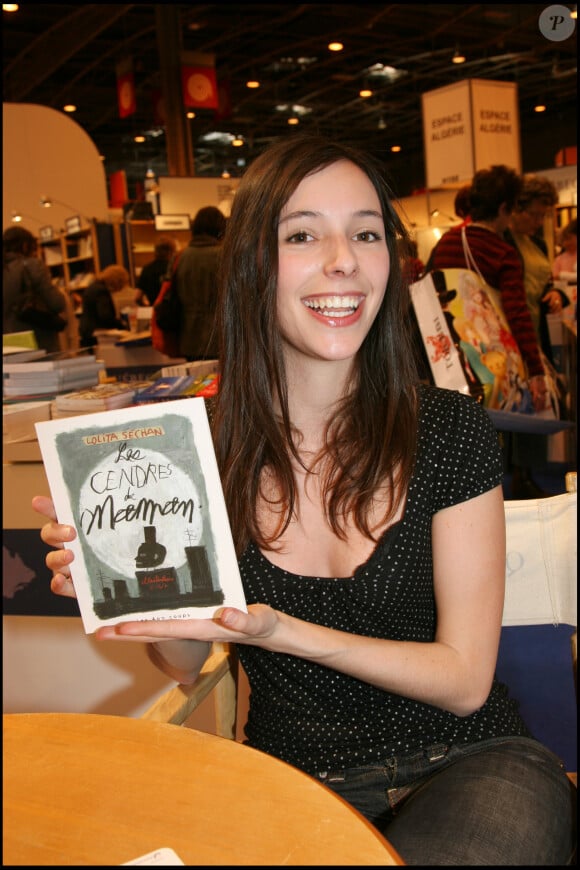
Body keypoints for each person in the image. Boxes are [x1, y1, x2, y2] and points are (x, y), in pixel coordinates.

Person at [33, 135, 576, 866]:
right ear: (255, 265)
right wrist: (133, 590)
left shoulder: (448, 429)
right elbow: (186, 662)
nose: (343, 259)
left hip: (474, 761)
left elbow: (463, 681)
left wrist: (277, 631)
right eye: (302, 234)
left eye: (364, 233)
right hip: (294, 780)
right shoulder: (195, 450)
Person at [426, 165, 552, 499]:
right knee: (504, 416)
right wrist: (536, 370)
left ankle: (452, 486)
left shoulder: (448, 242)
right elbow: (517, 313)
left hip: (446, 354)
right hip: (487, 356)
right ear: (504, 209)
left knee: (453, 423)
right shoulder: (502, 252)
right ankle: (508, 481)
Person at [503, 174, 567, 496]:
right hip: (509, 332)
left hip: (534, 332)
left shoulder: (539, 243)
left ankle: (526, 475)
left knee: (536, 404)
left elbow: (548, 283)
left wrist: (558, 295)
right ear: (517, 208)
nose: (540, 221)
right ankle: (512, 476)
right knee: (514, 404)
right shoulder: (503, 241)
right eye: (536, 213)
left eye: (544, 215)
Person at [3, 225, 67, 352]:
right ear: (25, 245)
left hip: (9, 344)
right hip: (39, 340)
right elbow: (57, 303)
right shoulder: (31, 265)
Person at [175, 205, 226, 361]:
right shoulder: (223, 255)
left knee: (195, 383)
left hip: (188, 337)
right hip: (220, 337)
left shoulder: (180, 257)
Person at [78, 264, 128, 349]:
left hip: (87, 330)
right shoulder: (102, 291)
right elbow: (105, 316)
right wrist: (122, 326)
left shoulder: (93, 287)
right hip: (96, 333)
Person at [135, 236, 178, 306]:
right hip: (174, 312)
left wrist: (148, 306)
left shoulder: (147, 269)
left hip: (155, 311)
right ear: (171, 252)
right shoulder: (175, 268)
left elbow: (137, 298)